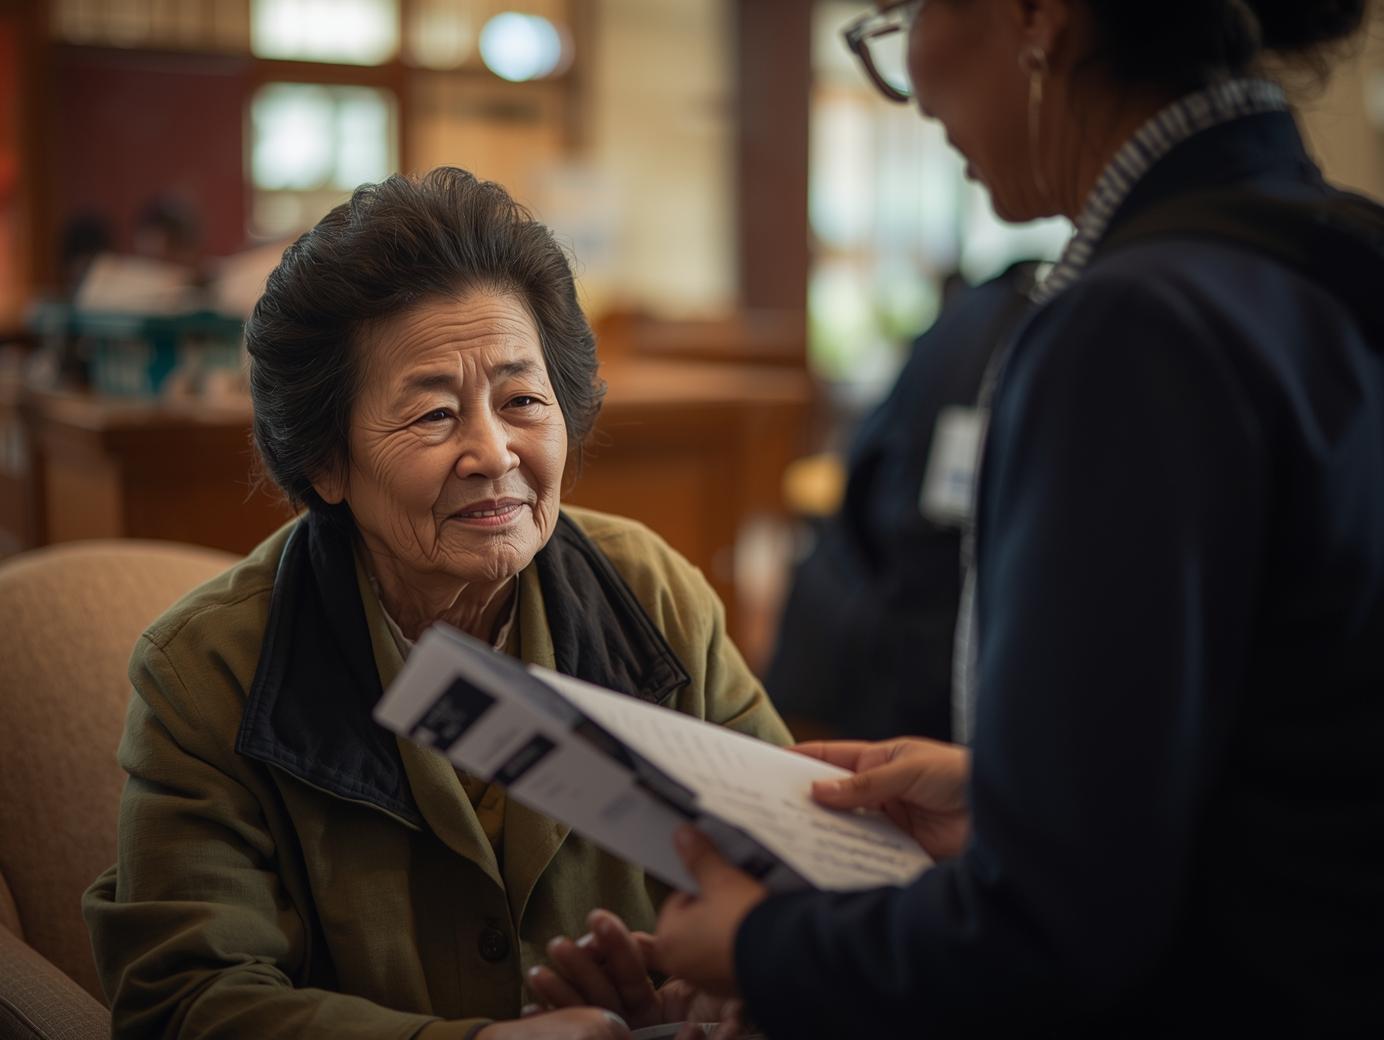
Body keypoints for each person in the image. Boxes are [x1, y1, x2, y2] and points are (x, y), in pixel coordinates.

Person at [539, 0, 1384, 1034]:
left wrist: (763, 943)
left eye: (910, 11)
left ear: (1038, 17)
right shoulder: (1333, 254)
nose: (914, 83)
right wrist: (1010, 800)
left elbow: (1051, 935)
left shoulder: (1132, 323)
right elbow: (1292, 746)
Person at [82, 167, 791, 1040]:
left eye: (522, 401)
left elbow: (793, 878)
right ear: (325, 462)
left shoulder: (653, 596)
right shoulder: (208, 675)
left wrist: (724, 986)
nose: (493, 454)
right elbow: (183, 1003)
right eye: (433, 416)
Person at [764, 260, 1038, 741]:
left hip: (906, 658)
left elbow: (860, 482)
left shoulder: (978, 316)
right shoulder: (1017, 314)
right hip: (983, 669)